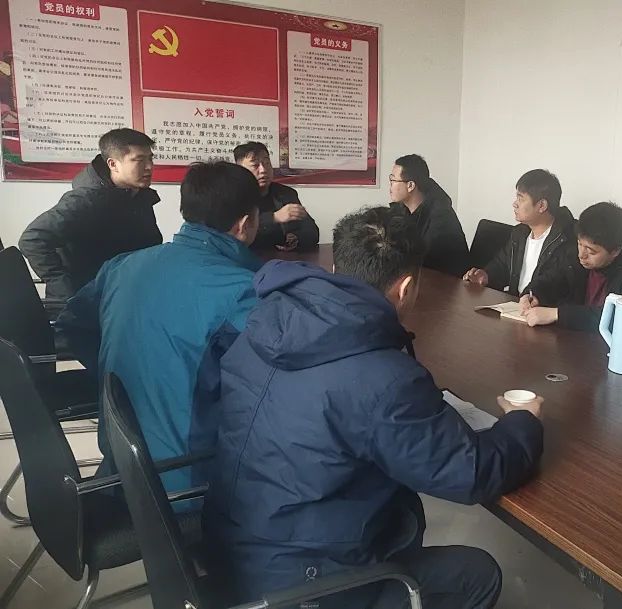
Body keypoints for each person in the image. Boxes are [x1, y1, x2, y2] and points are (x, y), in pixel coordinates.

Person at [202, 206, 544, 609]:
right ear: (406, 288)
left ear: (336, 268)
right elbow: (472, 473)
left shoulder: (263, 323)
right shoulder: (384, 378)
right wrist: (522, 423)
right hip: (301, 585)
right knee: (476, 574)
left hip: (228, 549)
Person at [57, 162, 264, 492]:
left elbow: (72, 326)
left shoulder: (122, 266)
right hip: (189, 488)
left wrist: (124, 376)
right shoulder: (245, 292)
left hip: (119, 469)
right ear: (245, 223)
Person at [20, 128, 161, 302]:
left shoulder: (137, 195)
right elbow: (32, 239)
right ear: (113, 164)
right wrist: (63, 288)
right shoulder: (86, 200)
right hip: (86, 302)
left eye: (150, 158)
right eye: (139, 160)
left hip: (122, 295)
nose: (149, 167)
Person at [520, 201, 622, 331]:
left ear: (615, 251)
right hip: (574, 337)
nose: (581, 255)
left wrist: (556, 314)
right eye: (579, 244)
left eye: (591, 251)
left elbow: (618, 317)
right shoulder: (579, 249)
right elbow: (554, 277)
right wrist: (534, 293)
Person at [462, 169, 576, 297]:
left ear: (542, 206)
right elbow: (502, 265)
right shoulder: (520, 233)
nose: (515, 204)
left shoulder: (568, 239)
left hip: (541, 307)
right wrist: (486, 275)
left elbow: (555, 285)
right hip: (516, 304)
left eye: (521, 199)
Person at [389, 154, 469, 276]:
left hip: (447, 281)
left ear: (410, 186)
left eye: (393, 180)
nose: (390, 185)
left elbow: (421, 258)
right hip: (422, 276)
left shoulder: (441, 217)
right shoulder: (403, 209)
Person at [232, 141, 319, 251]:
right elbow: (234, 235)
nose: (263, 170)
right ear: (240, 170)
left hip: (283, 258)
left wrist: (296, 238)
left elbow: (312, 232)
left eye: (267, 163)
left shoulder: (286, 193)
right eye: (255, 165)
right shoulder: (233, 195)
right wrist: (274, 217)